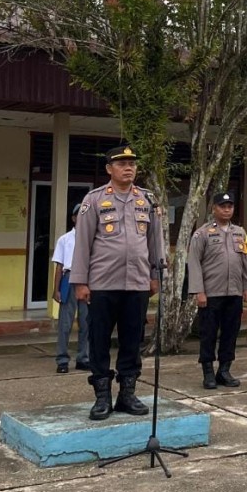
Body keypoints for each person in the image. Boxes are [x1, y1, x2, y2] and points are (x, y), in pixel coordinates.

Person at [71, 146, 163, 420]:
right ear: (109, 169)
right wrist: (80, 281)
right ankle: (102, 396)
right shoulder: (95, 199)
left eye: (132, 163)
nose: (128, 167)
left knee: (132, 340)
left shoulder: (147, 200)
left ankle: (127, 394)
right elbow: (83, 243)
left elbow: (155, 240)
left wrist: (155, 275)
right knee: (99, 340)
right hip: (102, 282)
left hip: (137, 283)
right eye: (121, 163)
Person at [188, 192, 247, 390]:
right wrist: (199, 291)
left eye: (230, 206)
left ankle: (224, 370)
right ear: (213, 209)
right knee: (208, 334)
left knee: (230, 333)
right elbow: (194, 263)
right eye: (222, 206)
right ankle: (208, 371)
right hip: (211, 293)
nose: (227, 209)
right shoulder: (203, 233)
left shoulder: (240, 233)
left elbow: (246, 259)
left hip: (233, 293)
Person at [52, 203, 91, 374]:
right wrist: (56, 289)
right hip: (68, 279)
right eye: (79, 215)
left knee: (86, 322)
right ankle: (62, 359)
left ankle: (84, 358)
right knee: (65, 324)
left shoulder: (92, 238)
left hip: (87, 280)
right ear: (74, 218)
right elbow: (59, 266)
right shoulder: (65, 239)